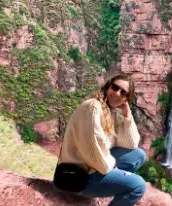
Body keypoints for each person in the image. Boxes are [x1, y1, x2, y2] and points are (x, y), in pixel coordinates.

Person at [58, 73, 146, 205]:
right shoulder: (93, 108)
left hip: (92, 167)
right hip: (77, 175)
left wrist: (127, 115)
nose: (117, 94)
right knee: (138, 186)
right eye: (115, 88)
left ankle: (112, 186)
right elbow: (93, 152)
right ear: (107, 87)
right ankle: (113, 187)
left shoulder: (112, 111)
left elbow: (130, 144)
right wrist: (114, 168)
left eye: (123, 93)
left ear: (127, 99)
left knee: (138, 155)